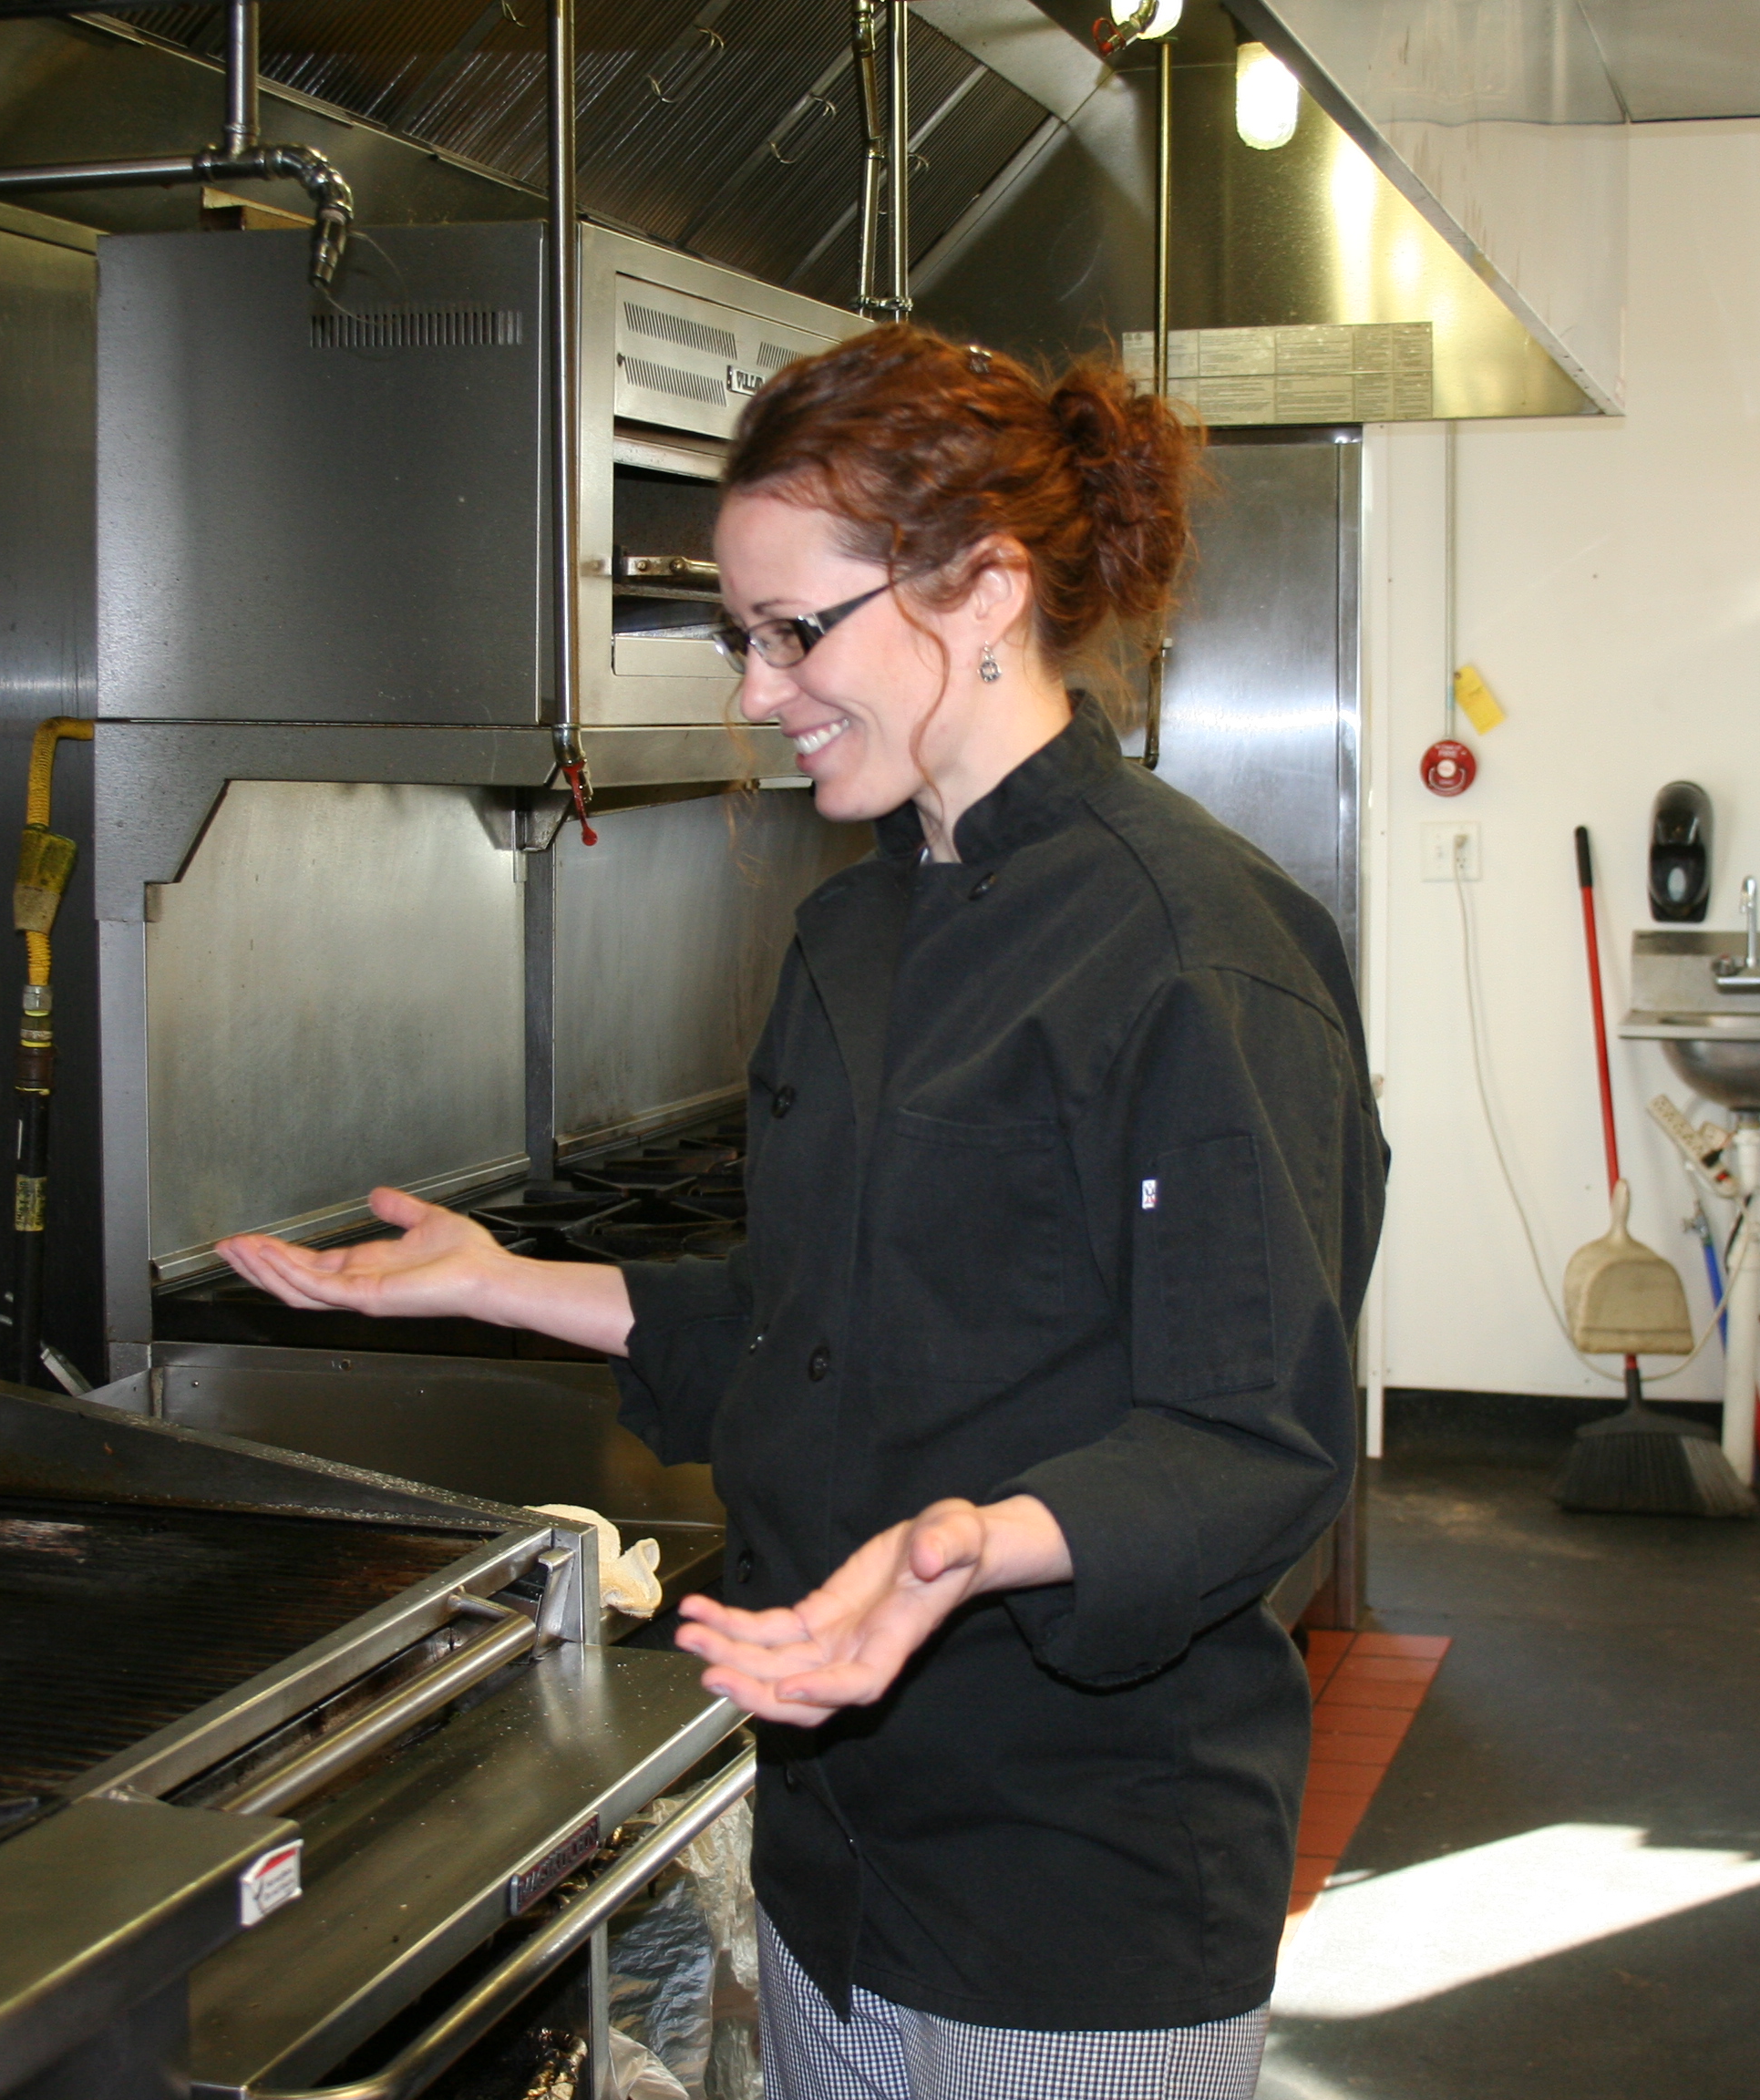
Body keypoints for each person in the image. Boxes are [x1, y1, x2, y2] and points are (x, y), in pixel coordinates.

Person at [219, 324, 1386, 2100]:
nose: (756, 689)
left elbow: (1253, 1438)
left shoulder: (1194, 951)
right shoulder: (859, 925)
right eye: (735, 637)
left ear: (983, 590)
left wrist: (977, 1544)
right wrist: (506, 1282)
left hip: (1078, 1888)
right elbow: (813, 1323)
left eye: (793, 632)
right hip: (833, 1853)